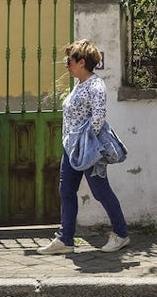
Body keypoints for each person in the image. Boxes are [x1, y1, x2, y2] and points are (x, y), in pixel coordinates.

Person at [37, 39, 130, 254]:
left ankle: (121, 234)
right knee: (66, 190)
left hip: (88, 150)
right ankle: (65, 239)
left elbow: (98, 119)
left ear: (81, 62)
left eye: (68, 61)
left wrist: (85, 143)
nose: (66, 65)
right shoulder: (80, 84)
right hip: (71, 149)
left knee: (100, 191)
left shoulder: (96, 85)